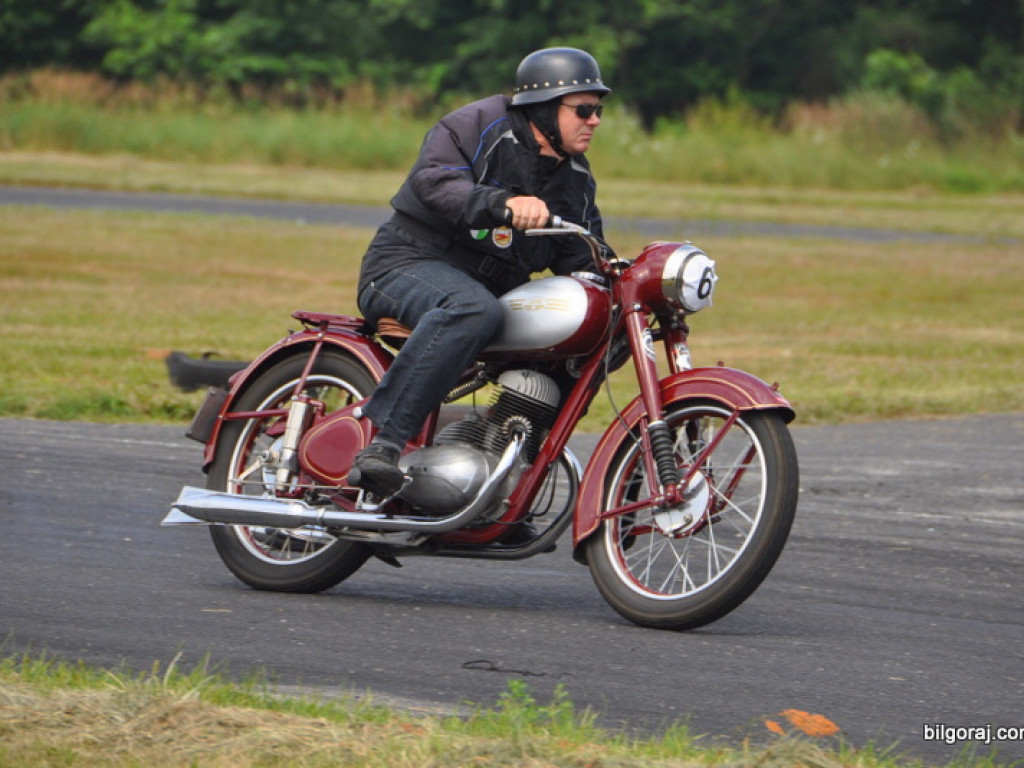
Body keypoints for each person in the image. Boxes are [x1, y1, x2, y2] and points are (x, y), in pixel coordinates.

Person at [350, 46, 611, 497]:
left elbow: (584, 255)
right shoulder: (481, 123)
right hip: (407, 264)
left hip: (491, 292)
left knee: (595, 326)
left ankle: (508, 475)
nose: (595, 121)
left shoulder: (575, 178)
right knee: (473, 309)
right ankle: (382, 446)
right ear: (545, 107)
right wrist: (501, 204)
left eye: (598, 110)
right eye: (584, 109)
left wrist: (628, 283)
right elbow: (435, 180)